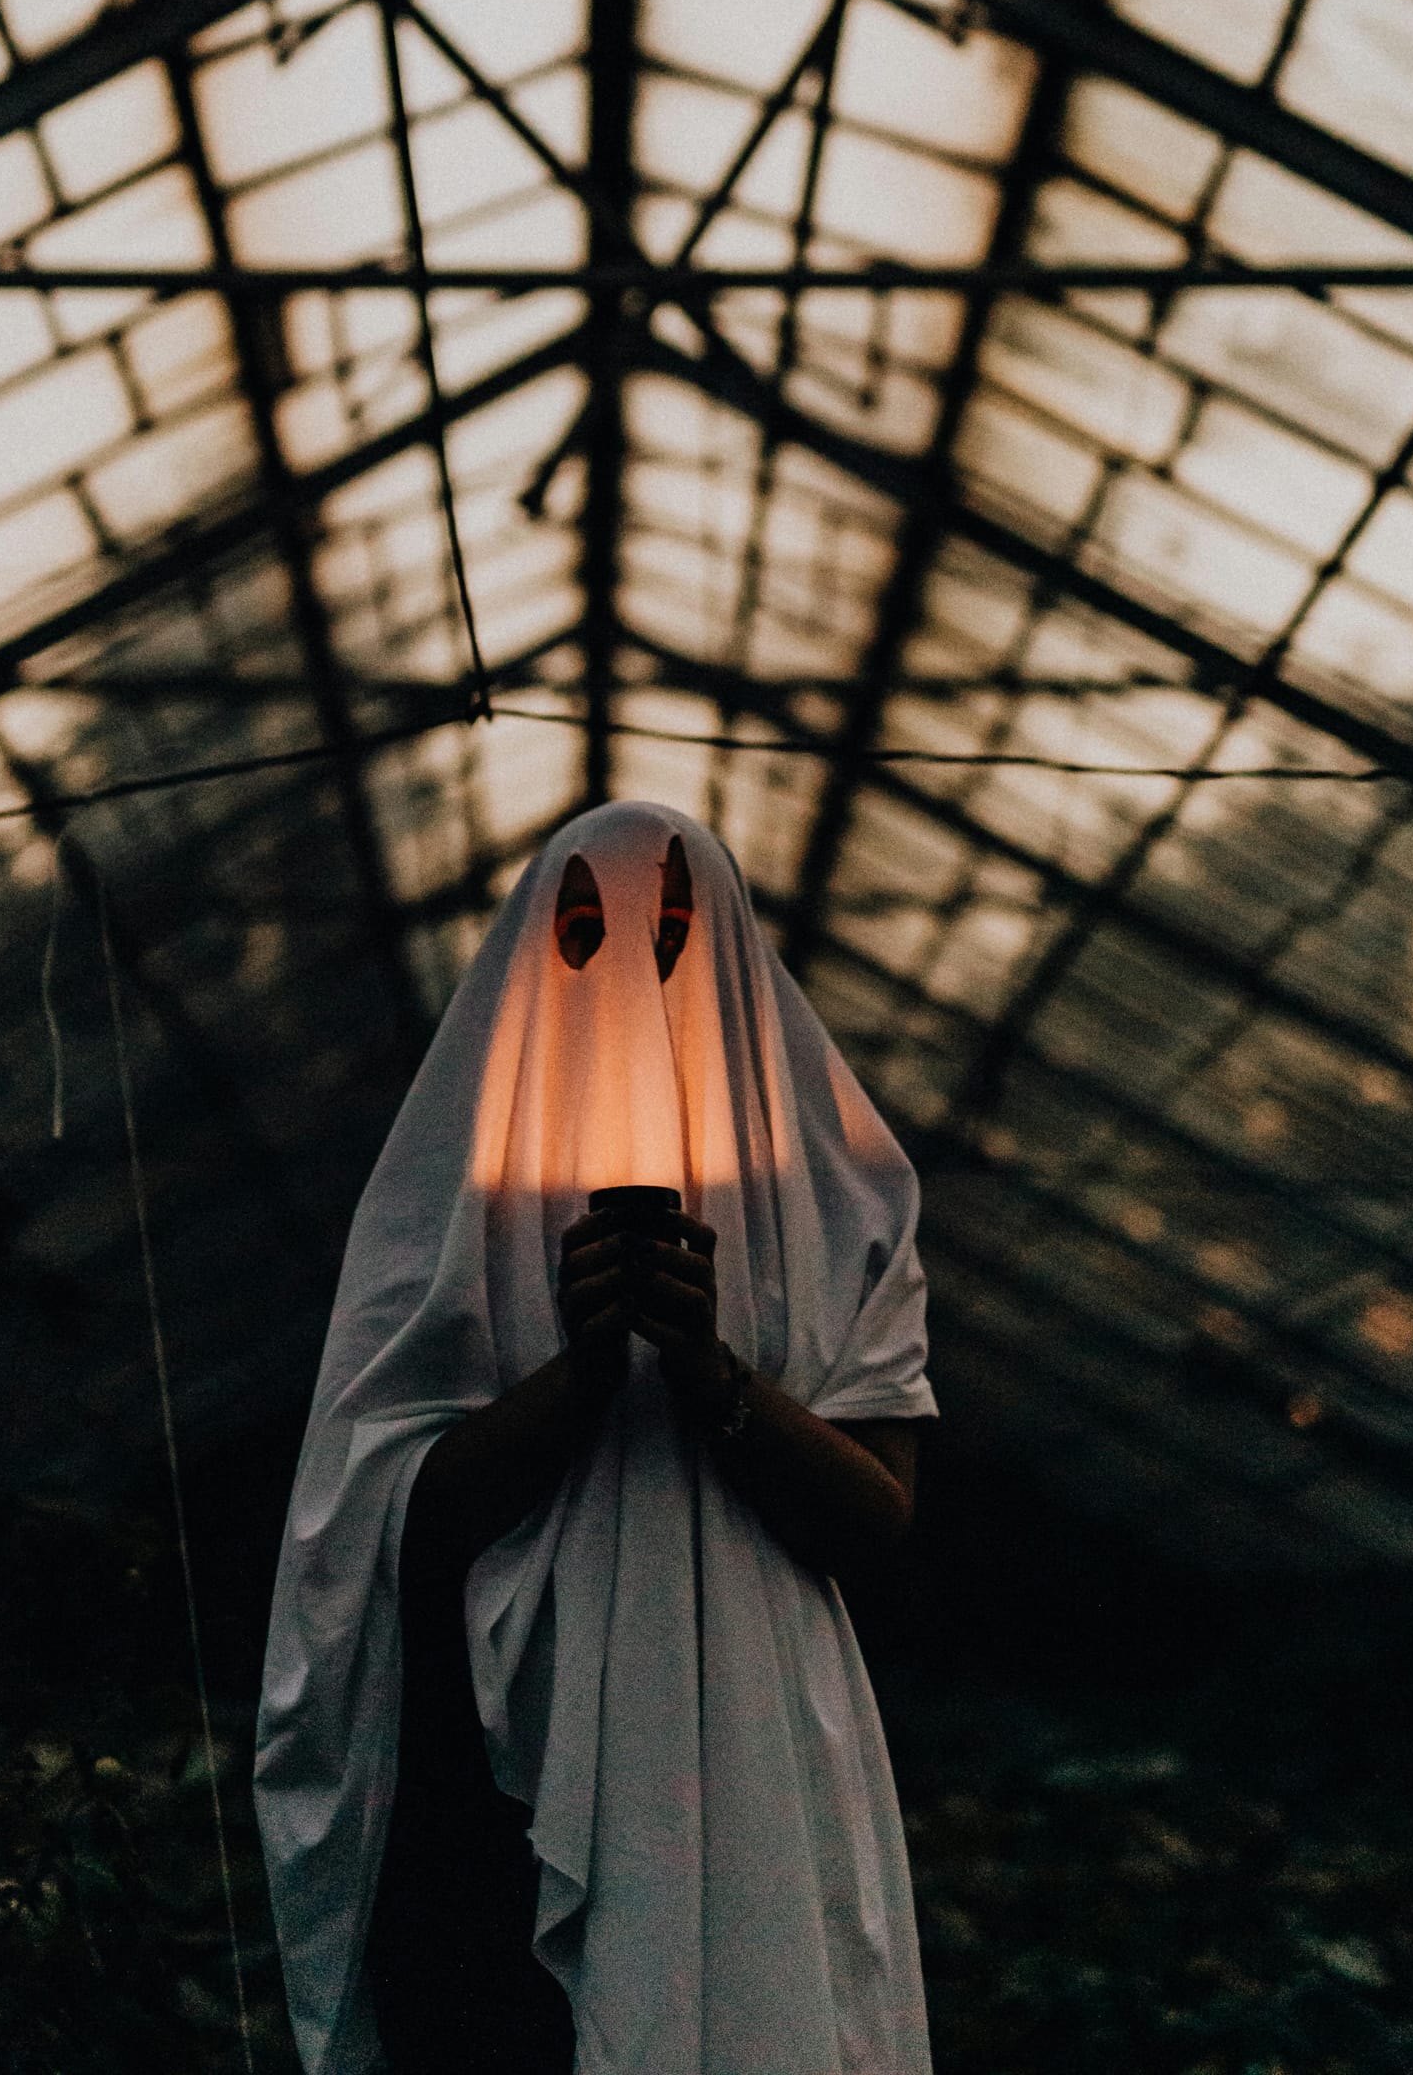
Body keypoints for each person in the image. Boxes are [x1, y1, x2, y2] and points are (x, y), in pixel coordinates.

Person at [255, 800, 937, 2075]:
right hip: (497, 1775)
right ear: (525, 959)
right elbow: (386, 1509)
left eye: (672, 931)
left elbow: (875, 1515)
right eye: (581, 932)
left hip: (752, 1770)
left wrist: (706, 1372)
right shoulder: (447, 1207)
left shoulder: (847, 1210)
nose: (629, 972)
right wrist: (579, 1377)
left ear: (731, 952)